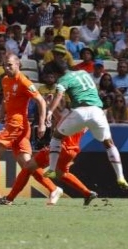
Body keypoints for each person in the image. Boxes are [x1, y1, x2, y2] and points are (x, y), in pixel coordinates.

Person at [0, 54, 60, 203]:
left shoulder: (24, 81)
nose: (6, 68)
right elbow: (6, 99)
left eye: (9, 65)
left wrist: (41, 124)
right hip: (13, 124)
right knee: (27, 165)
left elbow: (40, 101)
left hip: (17, 124)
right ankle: (54, 189)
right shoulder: (5, 80)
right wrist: (1, 114)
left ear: (18, 65)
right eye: (4, 65)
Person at [43, 61, 128, 190]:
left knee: (56, 136)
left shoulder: (63, 80)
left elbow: (59, 95)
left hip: (80, 112)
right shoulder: (84, 73)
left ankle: (52, 169)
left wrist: (49, 111)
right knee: (109, 144)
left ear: (55, 73)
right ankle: (120, 176)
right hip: (97, 112)